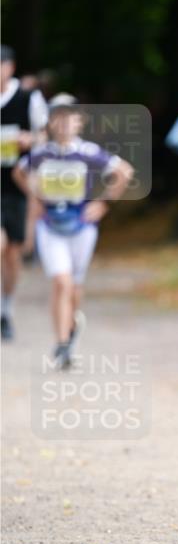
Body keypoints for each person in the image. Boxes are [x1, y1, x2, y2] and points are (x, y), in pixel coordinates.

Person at [12, 95, 133, 368]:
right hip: (51, 226)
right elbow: (19, 172)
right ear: (51, 122)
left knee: (75, 285)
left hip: (81, 226)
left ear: (80, 121)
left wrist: (102, 204)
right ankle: (62, 343)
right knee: (61, 282)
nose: (64, 123)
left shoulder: (89, 152)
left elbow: (123, 172)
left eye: (70, 117)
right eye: (59, 117)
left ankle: (71, 327)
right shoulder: (42, 153)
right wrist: (38, 198)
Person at [1, 45, 48, 340]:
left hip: (16, 182)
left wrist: (29, 140)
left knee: (12, 251)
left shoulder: (29, 99)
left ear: (10, 67)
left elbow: (46, 134)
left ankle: (7, 307)